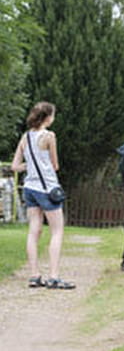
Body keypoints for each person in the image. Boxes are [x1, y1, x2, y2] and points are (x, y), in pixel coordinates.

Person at [11, 102, 75, 290]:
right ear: (48, 118)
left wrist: (29, 165)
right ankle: (54, 277)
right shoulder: (49, 136)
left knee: (34, 231)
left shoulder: (25, 137)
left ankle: (34, 275)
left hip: (29, 188)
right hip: (47, 188)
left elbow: (15, 166)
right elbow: (55, 165)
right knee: (57, 231)